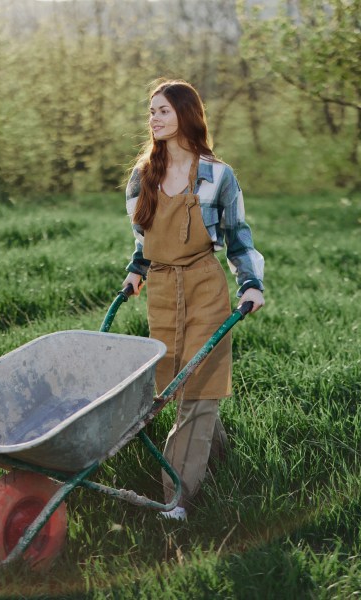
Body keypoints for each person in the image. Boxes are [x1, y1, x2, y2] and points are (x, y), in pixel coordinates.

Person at [120, 79, 265, 521]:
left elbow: (238, 236)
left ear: (186, 113)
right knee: (182, 384)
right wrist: (136, 269)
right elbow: (143, 237)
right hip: (162, 290)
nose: (154, 119)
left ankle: (177, 499)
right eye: (151, 112)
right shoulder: (143, 175)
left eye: (163, 110)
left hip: (204, 285)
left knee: (199, 391)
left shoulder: (218, 175)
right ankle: (218, 457)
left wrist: (251, 283)